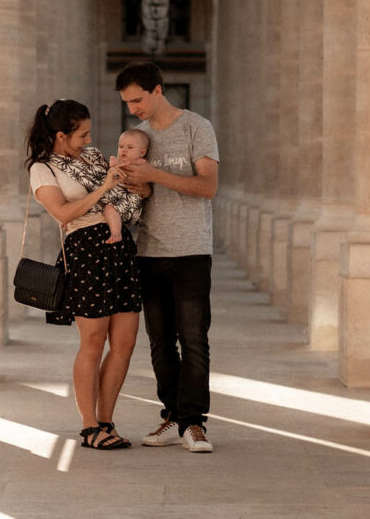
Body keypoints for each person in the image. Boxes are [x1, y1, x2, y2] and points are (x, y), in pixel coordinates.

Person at [25, 99, 143, 450]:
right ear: (61, 135)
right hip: (86, 252)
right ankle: (90, 427)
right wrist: (104, 188)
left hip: (120, 248)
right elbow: (62, 213)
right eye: (83, 134)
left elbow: (132, 190)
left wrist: (131, 183)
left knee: (125, 343)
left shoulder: (92, 157)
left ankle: (107, 421)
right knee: (92, 342)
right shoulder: (42, 169)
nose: (89, 139)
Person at [114, 61, 220, 453]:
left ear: (158, 90)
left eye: (138, 100)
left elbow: (208, 186)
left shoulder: (197, 127)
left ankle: (194, 424)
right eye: (127, 103)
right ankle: (172, 415)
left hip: (191, 249)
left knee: (194, 339)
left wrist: (154, 175)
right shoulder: (135, 138)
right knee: (159, 342)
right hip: (148, 251)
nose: (133, 109)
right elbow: (133, 198)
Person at [101, 128, 149, 244]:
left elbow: (134, 177)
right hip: (118, 197)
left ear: (142, 153)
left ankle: (116, 233)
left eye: (130, 147)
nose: (124, 150)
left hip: (131, 200)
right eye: (121, 147)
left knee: (109, 208)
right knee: (99, 203)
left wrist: (117, 165)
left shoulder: (141, 164)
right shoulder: (120, 162)